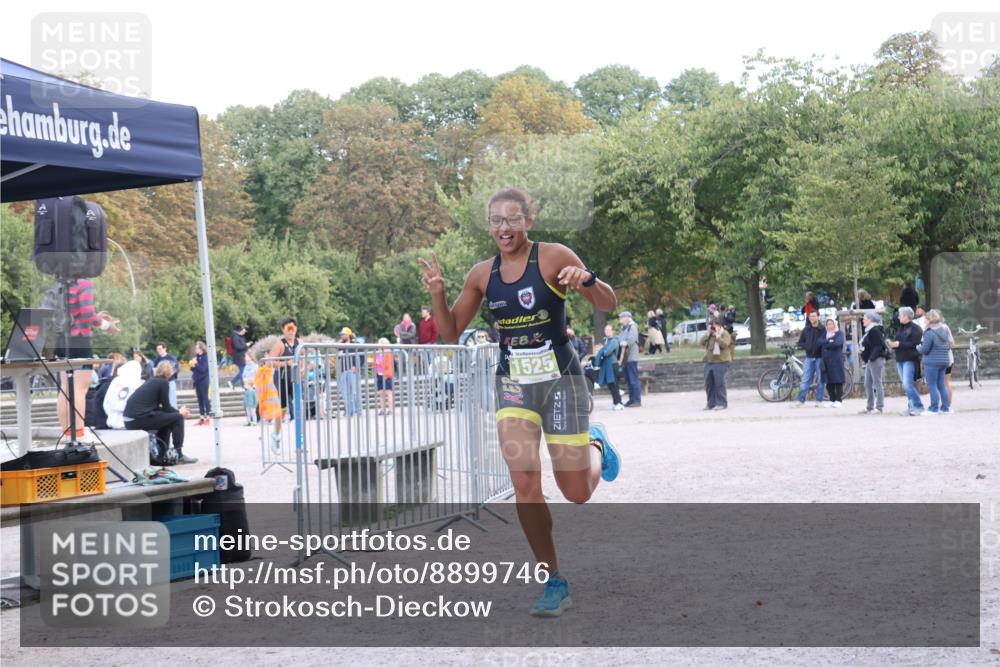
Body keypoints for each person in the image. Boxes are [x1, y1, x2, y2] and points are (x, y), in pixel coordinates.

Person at [418, 187, 621, 618]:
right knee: (525, 483)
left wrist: (587, 280)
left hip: (562, 382)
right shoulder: (481, 274)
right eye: (496, 220)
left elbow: (609, 302)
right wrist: (437, 291)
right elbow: (451, 331)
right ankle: (553, 580)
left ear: (529, 220)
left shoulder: (552, 257)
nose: (503, 228)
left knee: (577, 492)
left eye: (512, 219)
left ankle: (597, 448)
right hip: (513, 386)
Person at [54, 277, 120, 438]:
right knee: (80, 388)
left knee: (65, 388)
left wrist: (97, 318)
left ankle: (67, 432)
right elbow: (87, 314)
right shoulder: (83, 283)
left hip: (62, 340)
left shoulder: (61, 282)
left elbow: (73, 315)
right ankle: (79, 434)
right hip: (79, 341)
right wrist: (106, 325)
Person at [124, 360, 196, 464]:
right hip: (137, 419)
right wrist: (180, 412)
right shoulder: (163, 382)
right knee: (178, 417)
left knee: (166, 421)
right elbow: (167, 407)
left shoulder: (152, 381)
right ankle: (179, 454)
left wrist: (176, 412)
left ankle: (162, 456)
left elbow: (160, 409)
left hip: (130, 420)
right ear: (169, 373)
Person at [266, 317, 300, 453]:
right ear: (283, 330)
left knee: (299, 407)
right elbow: (269, 362)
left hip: (295, 379)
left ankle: (300, 440)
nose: (291, 332)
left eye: (293, 328)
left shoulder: (300, 343)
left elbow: (304, 359)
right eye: (288, 329)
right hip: (282, 379)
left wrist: (304, 368)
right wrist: (285, 363)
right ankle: (276, 435)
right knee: (282, 411)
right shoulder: (280, 344)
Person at [889, 306, 925, 416]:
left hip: (910, 359)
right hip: (900, 359)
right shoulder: (901, 327)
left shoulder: (916, 328)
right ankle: (911, 407)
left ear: (906, 316)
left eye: (900, 315)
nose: (899, 317)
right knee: (906, 385)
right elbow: (899, 341)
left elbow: (916, 344)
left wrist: (899, 344)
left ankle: (918, 406)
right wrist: (893, 344)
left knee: (907, 384)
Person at [918, 309, 952, 415]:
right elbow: (949, 344)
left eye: (925, 319)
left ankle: (933, 408)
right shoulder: (944, 330)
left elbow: (925, 350)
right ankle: (945, 408)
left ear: (929, 320)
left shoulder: (929, 332)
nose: (924, 321)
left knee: (932, 385)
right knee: (941, 384)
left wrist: (918, 347)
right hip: (944, 360)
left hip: (932, 362)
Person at [791, 310, 827, 407]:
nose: (812, 318)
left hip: (820, 357)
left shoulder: (823, 329)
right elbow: (800, 342)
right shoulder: (806, 329)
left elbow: (826, 342)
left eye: (814, 316)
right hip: (809, 357)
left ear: (818, 317)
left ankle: (819, 400)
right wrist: (807, 346)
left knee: (820, 379)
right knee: (806, 379)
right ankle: (801, 400)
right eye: (810, 316)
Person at [859, 311, 888, 415]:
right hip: (870, 360)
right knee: (867, 383)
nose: (863, 320)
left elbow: (879, 345)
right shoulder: (869, 330)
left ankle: (879, 407)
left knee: (877, 383)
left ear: (871, 319)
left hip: (876, 359)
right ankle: (869, 406)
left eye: (865, 318)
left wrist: (871, 358)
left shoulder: (875, 330)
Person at [701, 319, 732, 410]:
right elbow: (701, 343)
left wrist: (718, 337)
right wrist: (707, 334)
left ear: (719, 326)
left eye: (715, 325)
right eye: (711, 325)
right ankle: (711, 403)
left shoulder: (724, 333)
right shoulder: (710, 334)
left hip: (721, 361)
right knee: (709, 383)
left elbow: (725, 344)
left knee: (719, 383)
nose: (713, 327)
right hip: (709, 361)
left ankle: (721, 403)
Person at [103, 359, 143, 429]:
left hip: (113, 421)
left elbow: (107, 401)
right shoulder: (137, 383)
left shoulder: (116, 380)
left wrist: (111, 414)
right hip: (130, 422)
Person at [592, 324, 623, 410]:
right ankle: (615, 402)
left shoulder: (614, 341)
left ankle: (619, 403)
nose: (607, 332)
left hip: (612, 365)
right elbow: (604, 351)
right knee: (610, 385)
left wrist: (602, 351)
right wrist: (603, 350)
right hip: (607, 365)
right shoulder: (606, 341)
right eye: (606, 330)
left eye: (609, 330)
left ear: (612, 331)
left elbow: (607, 352)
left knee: (614, 384)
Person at [616, 311, 641, 407]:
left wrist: (623, 342)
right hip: (626, 358)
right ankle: (631, 399)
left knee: (633, 379)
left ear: (627, 317)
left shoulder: (633, 327)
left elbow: (631, 340)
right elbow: (620, 340)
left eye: (621, 317)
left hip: (631, 357)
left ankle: (637, 400)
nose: (620, 319)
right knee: (629, 379)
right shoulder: (624, 328)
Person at [820, 316, 846, 407]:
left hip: (836, 360)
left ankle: (839, 400)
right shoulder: (825, 334)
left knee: (837, 380)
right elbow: (820, 342)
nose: (829, 326)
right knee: (829, 380)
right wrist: (828, 341)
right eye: (828, 324)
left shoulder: (839, 333)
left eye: (831, 324)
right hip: (826, 361)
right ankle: (832, 399)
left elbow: (837, 343)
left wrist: (827, 344)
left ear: (835, 324)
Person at [337, 327, 362, 417]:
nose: (341, 336)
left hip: (353, 371)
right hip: (344, 371)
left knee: (355, 392)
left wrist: (356, 366)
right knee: (345, 392)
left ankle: (357, 411)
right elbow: (339, 356)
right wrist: (338, 346)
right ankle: (349, 411)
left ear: (348, 335)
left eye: (343, 334)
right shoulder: (341, 345)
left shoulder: (356, 344)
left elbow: (362, 357)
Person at [151, 342, 180, 409]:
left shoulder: (171, 358)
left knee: (172, 402)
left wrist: (168, 375)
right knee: (163, 402)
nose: (159, 351)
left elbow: (176, 369)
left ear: (165, 349)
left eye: (160, 349)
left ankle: (175, 417)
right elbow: (155, 370)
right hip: (160, 383)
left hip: (169, 382)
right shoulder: (157, 359)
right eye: (157, 349)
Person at [190, 341, 210, 425]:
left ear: (202, 348)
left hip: (204, 380)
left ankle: (208, 417)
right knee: (199, 399)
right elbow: (195, 369)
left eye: (197, 348)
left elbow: (203, 369)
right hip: (197, 380)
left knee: (205, 398)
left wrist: (196, 364)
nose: (196, 349)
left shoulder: (206, 357)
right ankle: (201, 417)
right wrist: (192, 365)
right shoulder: (197, 357)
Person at [374, 337, 394, 415]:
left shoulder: (388, 353)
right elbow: (375, 362)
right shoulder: (378, 353)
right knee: (381, 393)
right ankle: (382, 409)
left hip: (386, 375)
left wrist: (378, 363)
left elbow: (387, 365)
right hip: (379, 374)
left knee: (389, 393)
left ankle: (390, 409)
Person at [242, 350, 260, 426]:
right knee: (247, 406)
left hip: (253, 388)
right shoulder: (246, 366)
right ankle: (249, 420)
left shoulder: (255, 366)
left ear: (250, 356)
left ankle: (255, 419)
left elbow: (257, 376)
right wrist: (245, 382)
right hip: (247, 387)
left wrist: (252, 383)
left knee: (253, 405)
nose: (245, 358)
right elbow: (244, 376)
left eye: (246, 356)